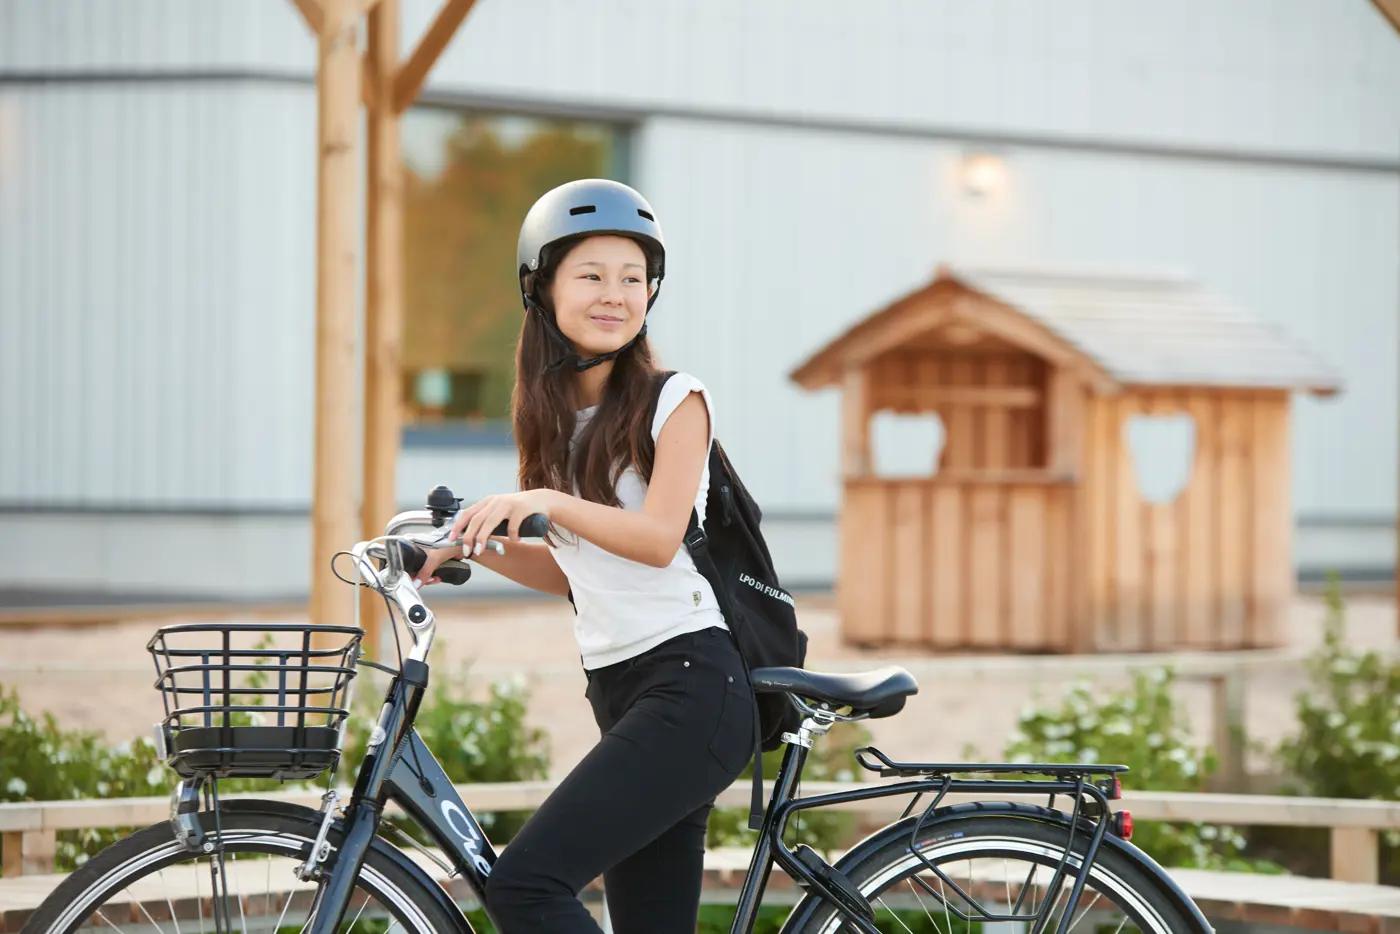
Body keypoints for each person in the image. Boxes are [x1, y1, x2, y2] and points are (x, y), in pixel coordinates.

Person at [411, 178, 755, 933]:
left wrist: (549, 502)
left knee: (525, 886)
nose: (616, 295)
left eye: (633, 278)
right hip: (621, 687)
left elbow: (657, 540)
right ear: (543, 289)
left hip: (693, 684)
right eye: (592, 276)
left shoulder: (676, 400)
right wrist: (471, 546)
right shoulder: (552, 420)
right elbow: (572, 571)